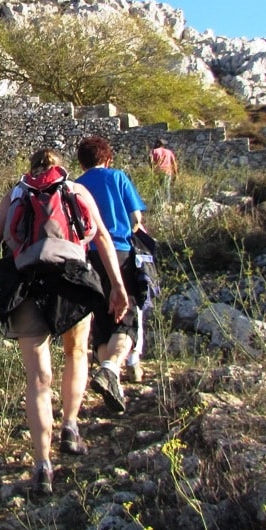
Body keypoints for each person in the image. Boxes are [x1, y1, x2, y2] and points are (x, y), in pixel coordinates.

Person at [0, 149, 129, 496]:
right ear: (60, 167)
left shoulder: (17, 193)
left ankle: (42, 465)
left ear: (30, 169)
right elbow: (102, 237)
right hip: (72, 281)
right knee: (77, 353)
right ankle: (71, 427)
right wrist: (117, 287)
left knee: (38, 378)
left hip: (27, 285)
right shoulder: (76, 190)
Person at [76, 135, 149, 398]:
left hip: (87, 258)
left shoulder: (76, 186)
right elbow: (135, 219)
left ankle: (110, 378)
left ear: (82, 162)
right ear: (107, 158)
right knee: (125, 317)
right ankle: (111, 367)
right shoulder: (117, 178)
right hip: (120, 253)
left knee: (102, 321)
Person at [150, 138, 178, 206]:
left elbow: (151, 162)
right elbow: (174, 163)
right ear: (163, 145)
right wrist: (176, 174)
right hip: (168, 171)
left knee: (157, 187)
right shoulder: (169, 152)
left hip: (158, 172)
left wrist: (152, 170)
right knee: (166, 188)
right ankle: (167, 203)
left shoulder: (154, 151)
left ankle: (157, 203)